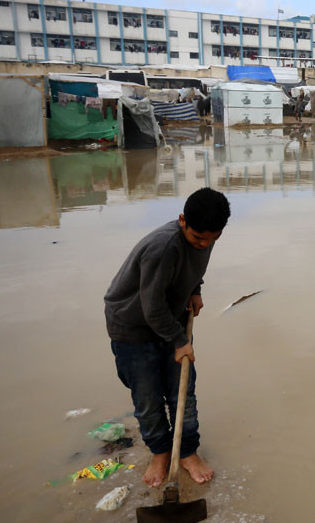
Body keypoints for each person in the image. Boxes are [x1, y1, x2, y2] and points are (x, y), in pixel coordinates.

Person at [104, 188, 230, 487]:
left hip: (169, 319)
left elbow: (192, 266)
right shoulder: (163, 247)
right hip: (132, 326)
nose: (204, 244)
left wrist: (195, 290)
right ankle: (160, 453)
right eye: (197, 238)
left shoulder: (205, 236)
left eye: (211, 239)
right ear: (182, 220)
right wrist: (179, 341)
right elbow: (151, 307)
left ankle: (186, 451)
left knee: (182, 393)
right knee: (148, 399)